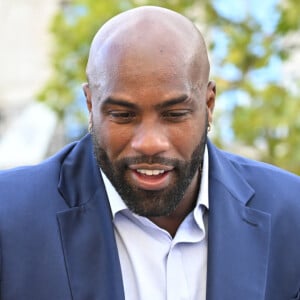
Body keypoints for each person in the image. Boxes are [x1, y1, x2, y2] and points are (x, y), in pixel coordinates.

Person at [0, 5, 300, 300]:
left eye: (174, 114)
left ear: (208, 105)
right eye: (123, 115)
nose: (149, 143)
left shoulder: (292, 213)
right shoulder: (9, 218)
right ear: (91, 106)